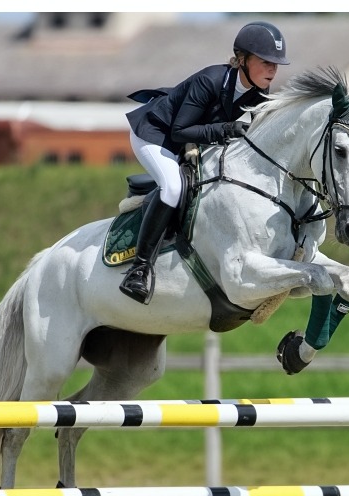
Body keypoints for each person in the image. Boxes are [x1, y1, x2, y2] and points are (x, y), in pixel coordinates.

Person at [119, 21, 290, 304]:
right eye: (266, 62)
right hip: (155, 134)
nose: (273, 70)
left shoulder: (260, 94)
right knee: (173, 187)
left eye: (276, 64)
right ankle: (139, 268)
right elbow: (179, 131)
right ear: (243, 59)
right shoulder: (210, 80)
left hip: (190, 139)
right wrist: (224, 130)